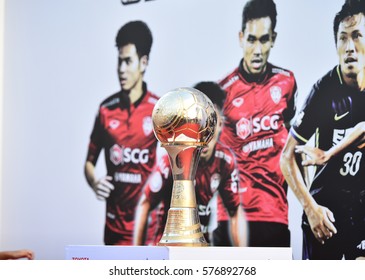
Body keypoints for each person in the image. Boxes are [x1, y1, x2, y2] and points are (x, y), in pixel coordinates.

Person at [280, 0, 365, 259]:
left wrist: (328, 153)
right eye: (343, 39)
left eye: (357, 36)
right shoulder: (324, 91)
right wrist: (310, 208)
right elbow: (287, 157)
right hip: (326, 215)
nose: (350, 47)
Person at [218, 0, 297, 247]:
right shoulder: (223, 92)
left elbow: (292, 140)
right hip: (232, 218)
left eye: (264, 40)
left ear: (273, 38)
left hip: (274, 216)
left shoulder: (287, 82)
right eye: (252, 39)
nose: (258, 49)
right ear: (241, 38)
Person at [133, 82, 247, 246]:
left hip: (200, 249)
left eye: (211, 124)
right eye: (199, 123)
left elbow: (235, 211)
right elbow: (145, 203)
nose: (205, 131)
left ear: (220, 125)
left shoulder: (224, 160)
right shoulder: (173, 159)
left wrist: (243, 258)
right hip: (167, 251)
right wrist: (138, 255)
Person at [84, 21, 159, 245]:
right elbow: (89, 163)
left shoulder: (159, 110)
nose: (121, 69)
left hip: (150, 231)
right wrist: (95, 183)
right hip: (114, 230)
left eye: (128, 62)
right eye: (119, 61)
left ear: (143, 63)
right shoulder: (106, 110)